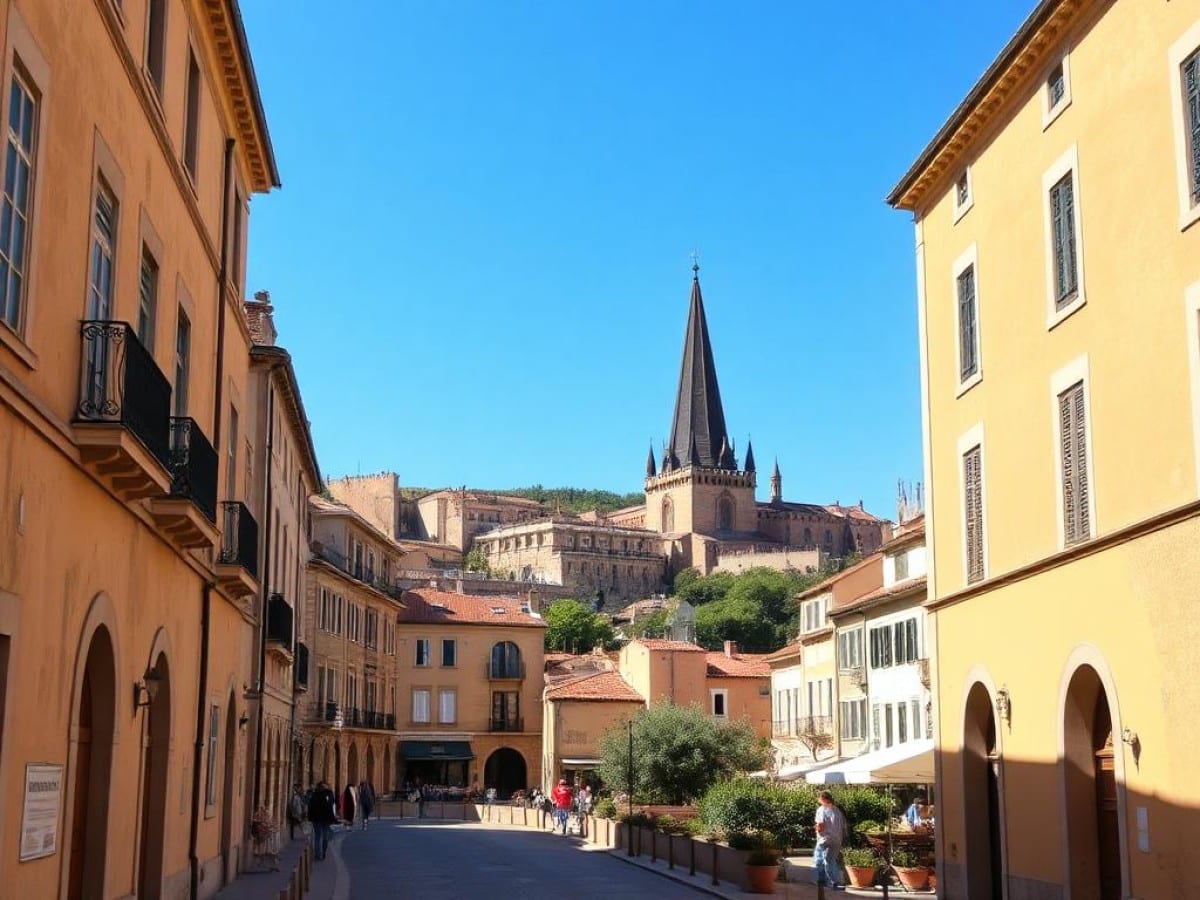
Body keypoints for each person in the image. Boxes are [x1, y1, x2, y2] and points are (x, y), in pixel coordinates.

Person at [814, 790, 847, 891]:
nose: (818, 800)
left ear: (824, 799)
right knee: (831, 861)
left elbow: (820, 826)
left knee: (821, 860)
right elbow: (843, 828)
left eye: (819, 798)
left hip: (825, 839)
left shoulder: (821, 810)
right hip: (837, 840)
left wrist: (816, 829)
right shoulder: (838, 811)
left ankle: (828, 881)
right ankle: (835, 881)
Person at [307, 781, 337, 861]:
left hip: (318, 819)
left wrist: (310, 817)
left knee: (319, 836)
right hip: (323, 819)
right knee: (323, 836)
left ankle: (319, 853)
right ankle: (321, 853)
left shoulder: (315, 794)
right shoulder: (328, 794)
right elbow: (332, 805)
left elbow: (311, 806)